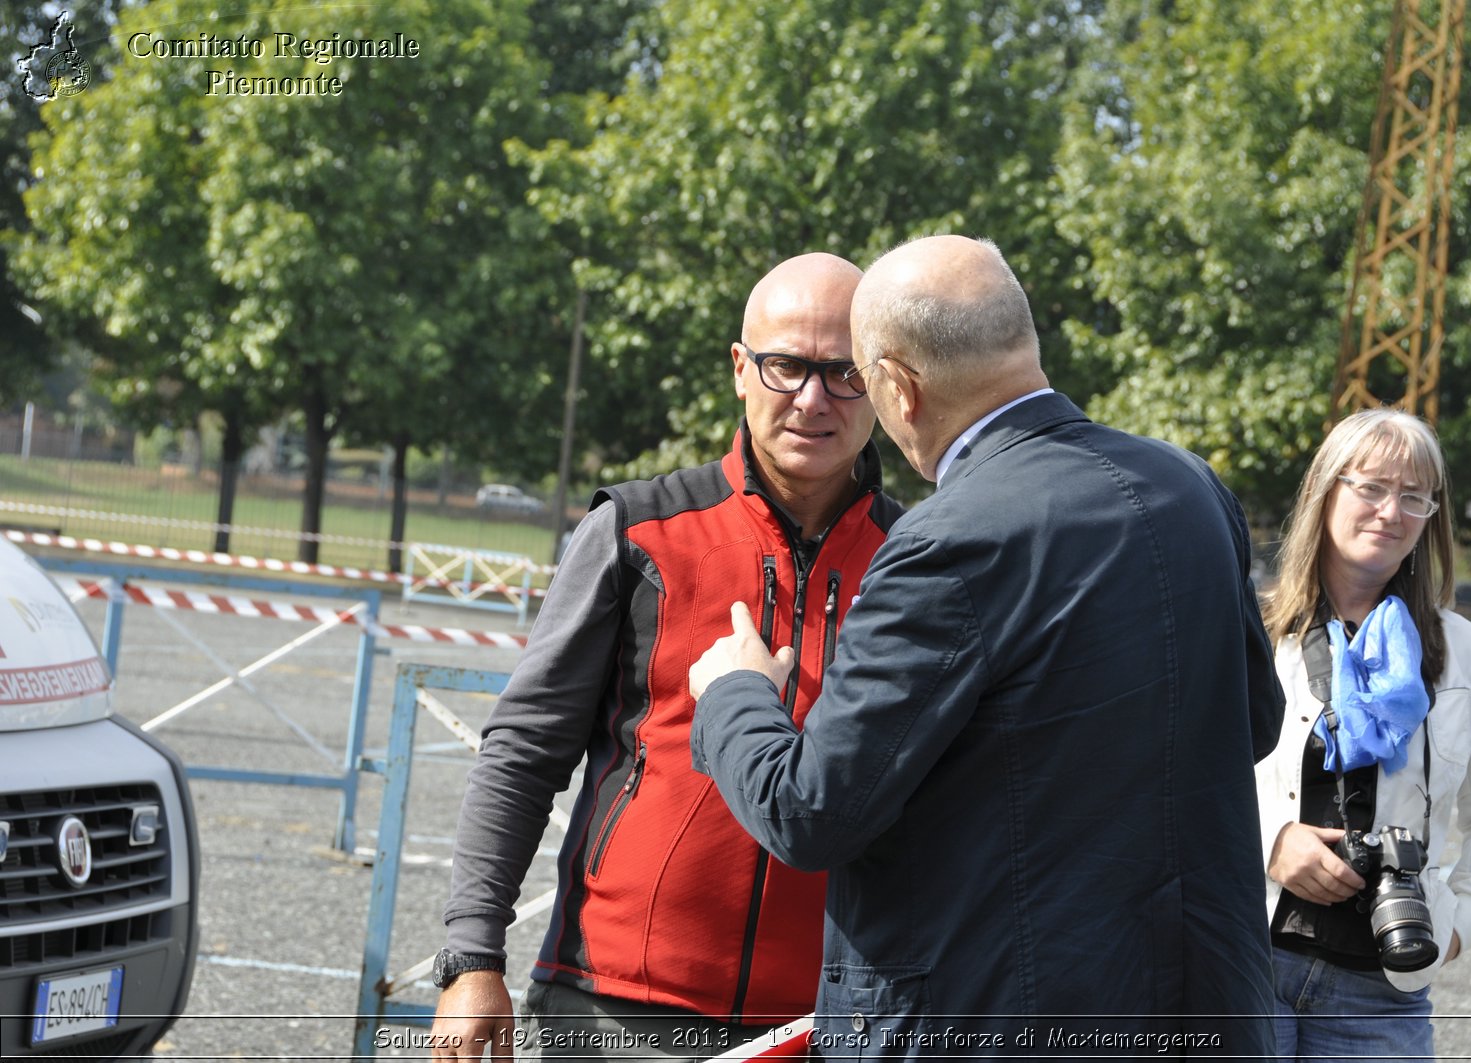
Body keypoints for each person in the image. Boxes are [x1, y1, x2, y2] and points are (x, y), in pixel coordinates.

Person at [687, 235, 1285, 1057]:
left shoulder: (948, 539)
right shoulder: (1191, 484)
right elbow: (1252, 721)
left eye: (858, 376)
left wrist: (735, 693)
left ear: (896, 385)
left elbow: (810, 811)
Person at [429, 252, 904, 1061]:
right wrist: (471, 957)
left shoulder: (919, 561)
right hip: (614, 1012)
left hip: (825, 1026)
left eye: (844, 372)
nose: (812, 399)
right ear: (740, 369)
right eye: (786, 366)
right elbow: (522, 751)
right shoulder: (637, 531)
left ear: (884, 383)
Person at [1256, 407, 1471, 1060]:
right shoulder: (1253, 630)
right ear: (1327, 489)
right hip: (1244, 962)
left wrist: (1462, 923)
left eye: (1414, 496)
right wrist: (1269, 840)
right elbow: (1176, 774)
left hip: (1381, 991)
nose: (1391, 510)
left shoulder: (1466, 654)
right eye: (1372, 487)